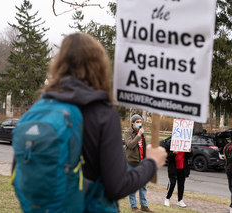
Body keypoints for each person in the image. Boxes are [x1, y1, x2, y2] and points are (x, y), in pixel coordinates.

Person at [42, 33, 167, 211]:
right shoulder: (102, 114)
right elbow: (117, 186)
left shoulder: (42, 106)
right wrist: (152, 163)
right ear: (99, 65)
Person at [124, 114, 154, 213]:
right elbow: (130, 145)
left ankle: (144, 205)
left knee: (143, 185)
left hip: (142, 162)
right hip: (132, 162)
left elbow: (144, 147)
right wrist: (138, 135)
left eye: (140, 122)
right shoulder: (127, 132)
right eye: (137, 122)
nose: (139, 124)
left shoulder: (142, 133)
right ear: (132, 123)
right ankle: (134, 206)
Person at [164, 138, 192, 208]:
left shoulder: (185, 143)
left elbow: (189, 156)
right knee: (172, 183)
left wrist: (190, 152)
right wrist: (173, 154)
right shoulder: (171, 143)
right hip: (173, 168)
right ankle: (167, 198)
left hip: (182, 167)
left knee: (181, 184)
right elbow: (167, 156)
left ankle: (180, 200)